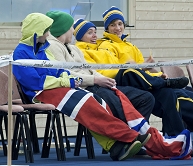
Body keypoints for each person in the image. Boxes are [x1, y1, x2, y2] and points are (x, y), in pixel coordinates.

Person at [73, 7, 193, 152]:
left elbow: (141, 68)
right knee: (152, 84)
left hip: (143, 82)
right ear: (107, 28)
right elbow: (116, 69)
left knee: (182, 95)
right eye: (112, 25)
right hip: (126, 84)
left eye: (120, 23)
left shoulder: (129, 45)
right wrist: (136, 66)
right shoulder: (104, 46)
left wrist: (155, 73)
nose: (117, 28)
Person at [11, 12, 154, 161]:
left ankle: (116, 146)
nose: (48, 34)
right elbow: (35, 82)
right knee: (86, 104)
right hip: (38, 93)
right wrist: (67, 81)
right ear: (37, 32)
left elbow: (58, 70)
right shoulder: (21, 52)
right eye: (46, 30)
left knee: (94, 101)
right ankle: (129, 136)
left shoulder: (40, 48)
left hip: (52, 88)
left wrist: (70, 79)